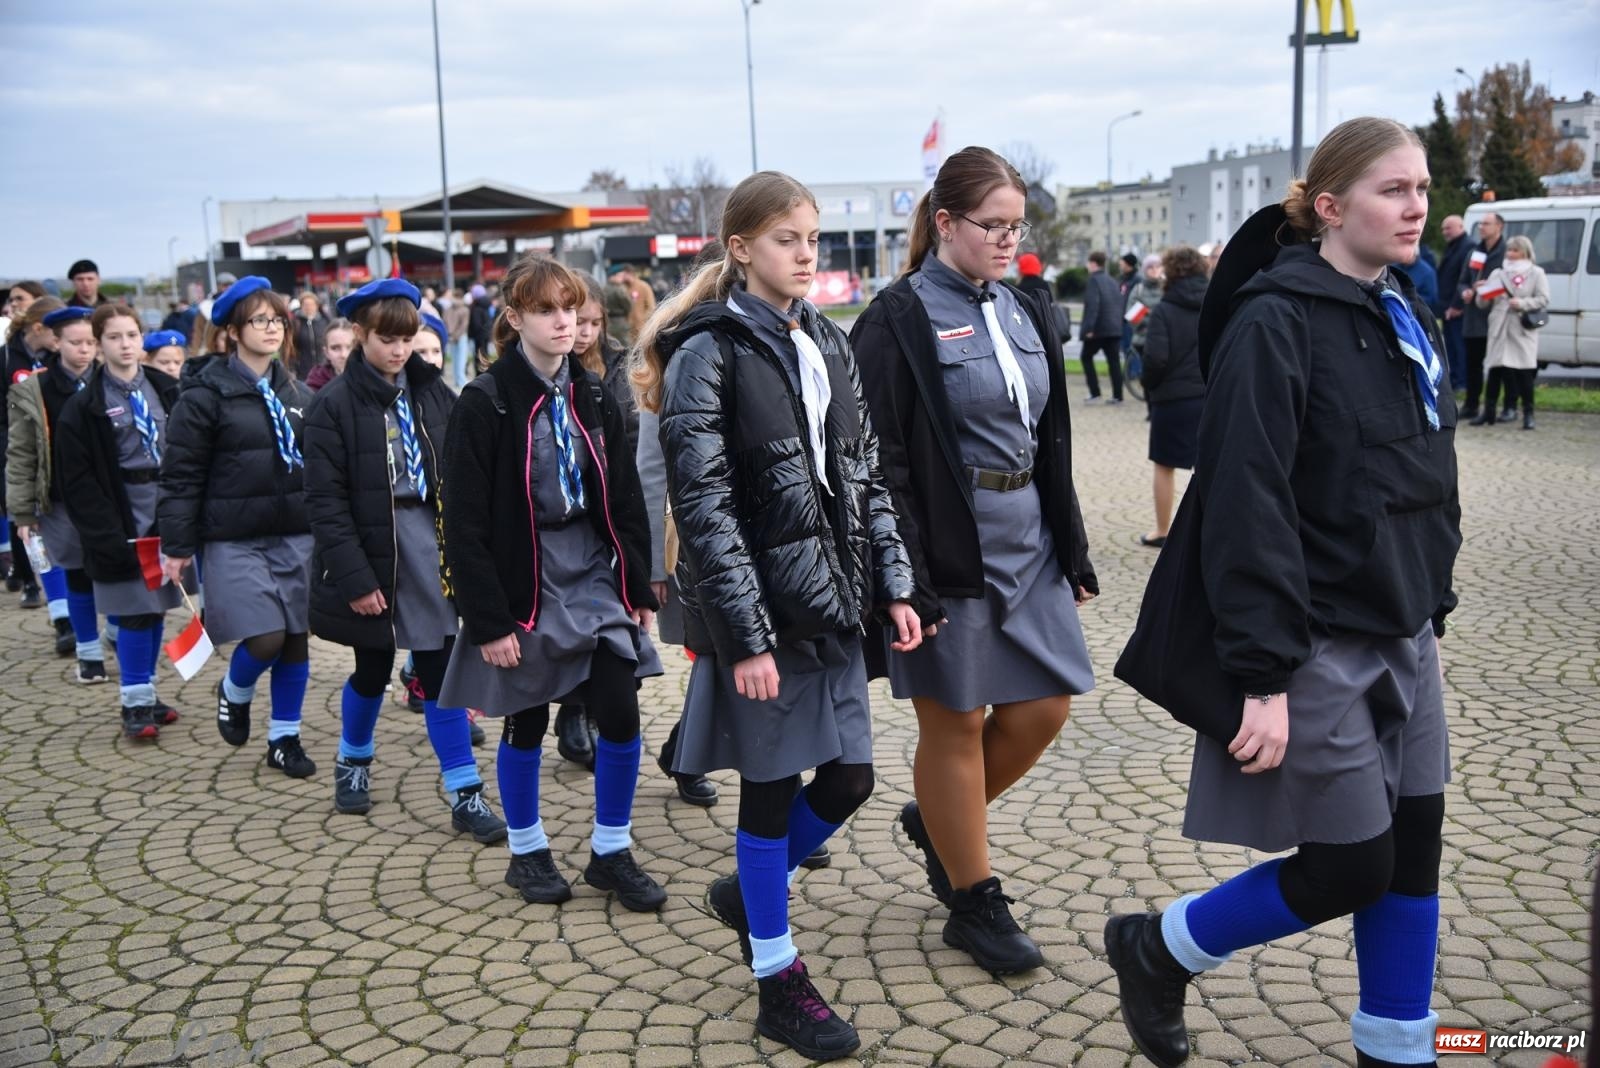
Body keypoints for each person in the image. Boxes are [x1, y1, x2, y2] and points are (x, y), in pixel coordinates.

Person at [1107, 117, 1458, 1068]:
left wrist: (1433, 594)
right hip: (1316, 639)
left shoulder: (1400, 311)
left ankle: (1400, 1045)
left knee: (1413, 847)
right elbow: (1246, 506)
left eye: (1423, 186)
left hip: (1405, 629)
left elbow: (1423, 468)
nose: (1417, 205)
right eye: (1394, 188)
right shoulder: (1276, 319)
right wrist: (1261, 675)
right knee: (1353, 863)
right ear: (1331, 206)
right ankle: (1159, 946)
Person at [634, 169, 921, 1061]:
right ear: (740, 250)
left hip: (832, 607)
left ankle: (746, 892)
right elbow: (705, 504)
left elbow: (864, 473)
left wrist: (898, 583)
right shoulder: (705, 353)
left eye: (813, 239)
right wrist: (746, 636)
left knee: (849, 783)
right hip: (761, 619)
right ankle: (775, 975)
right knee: (767, 796)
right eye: (788, 239)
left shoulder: (825, 342)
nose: (806, 254)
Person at [850, 146, 1097, 977]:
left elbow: (1049, 437)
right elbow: (878, 460)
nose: (1006, 239)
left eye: (1015, 225)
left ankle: (940, 820)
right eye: (991, 225)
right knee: (953, 717)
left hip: (1029, 535)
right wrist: (901, 576)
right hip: (947, 545)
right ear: (945, 222)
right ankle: (974, 900)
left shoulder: (1027, 305)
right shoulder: (895, 318)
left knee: (1046, 706)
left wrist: (1074, 542)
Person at [439, 253, 665, 913]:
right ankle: (527, 849)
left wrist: (636, 588)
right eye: (546, 310)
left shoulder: (593, 391)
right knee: (527, 716)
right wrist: (487, 620)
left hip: (592, 569)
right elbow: (461, 521)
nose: (563, 321)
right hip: (524, 576)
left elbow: (624, 497)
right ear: (514, 318)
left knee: (620, 706)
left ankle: (612, 849)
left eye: (569, 307)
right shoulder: (484, 401)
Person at [301, 278, 506, 840]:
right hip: (374, 551)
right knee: (371, 670)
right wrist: (354, 577)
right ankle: (353, 761)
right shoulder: (330, 407)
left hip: (433, 547)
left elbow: (466, 476)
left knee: (441, 672)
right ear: (360, 335)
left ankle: (465, 793)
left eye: (407, 338)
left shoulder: (435, 393)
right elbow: (325, 503)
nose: (398, 350)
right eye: (386, 339)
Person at [158, 277, 318, 778]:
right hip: (232, 538)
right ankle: (234, 689)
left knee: (295, 639)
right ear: (231, 330)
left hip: (295, 533)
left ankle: (284, 738)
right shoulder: (203, 395)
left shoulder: (295, 391)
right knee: (265, 637)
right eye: (259, 320)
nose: (271, 329)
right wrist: (178, 545)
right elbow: (182, 473)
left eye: (277, 319)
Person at [56, 305, 185, 739]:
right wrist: (106, 533)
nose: (126, 344)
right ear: (98, 344)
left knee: (155, 609)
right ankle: (134, 702)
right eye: (114, 337)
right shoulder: (84, 406)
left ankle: (146, 691)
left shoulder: (167, 389)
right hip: (121, 514)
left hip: (166, 505)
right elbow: (77, 479)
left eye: (132, 334)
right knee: (132, 610)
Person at [8, 304, 110, 669]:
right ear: (56, 342)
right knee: (79, 575)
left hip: (107, 499)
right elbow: (21, 454)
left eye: (90, 342)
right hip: (61, 500)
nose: (84, 350)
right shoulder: (35, 390)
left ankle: (114, 630)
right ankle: (88, 652)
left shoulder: (109, 380)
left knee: (113, 571)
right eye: (75, 342)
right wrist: (22, 511)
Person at [1137, 245, 1207, 548]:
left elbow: (1155, 360)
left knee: (1164, 466)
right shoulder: (1217, 304)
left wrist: (1149, 386)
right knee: (1206, 466)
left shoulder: (1164, 310)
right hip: (1210, 396)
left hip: (1172, 399)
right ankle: (1206, 532)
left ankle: (1163, 530)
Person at [3, 284, 53, 606]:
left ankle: (56, 595)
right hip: (12, 445)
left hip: (50, 445)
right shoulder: (7, 357)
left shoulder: (57, 357)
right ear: (39, 328)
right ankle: (28, 580)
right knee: (19, 515)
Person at [1472, 234, 1550, 431]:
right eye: (1509, 250)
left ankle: (1528, 414)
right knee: (1494, 370)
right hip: (1499, 326)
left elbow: (1543, 299)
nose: (1511, 254)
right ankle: (1488, 412)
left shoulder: (1536, 273)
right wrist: (1482, 291)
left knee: (1523, 372)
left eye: (1515, 250)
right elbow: (1482, 303)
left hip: (1521, 328)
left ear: (1525, 252)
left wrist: (1522, 303)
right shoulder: (1499, 273)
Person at [1454, 211, 1504, 420]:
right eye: (1481, 223)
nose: (1481, 227)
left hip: (1497, 317)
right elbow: (1463, 279)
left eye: (1486, 223)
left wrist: (1490, 286)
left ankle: (1496, 407)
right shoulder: (1475, 252)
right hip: (1473, 318)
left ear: (1499, 227)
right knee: (1473, 363)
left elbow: (1511, 281)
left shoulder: (1506, 253)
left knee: (1497, 365)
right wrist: (1465, 290)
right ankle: (1471, 404)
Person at [1080, 251, 1125, 403]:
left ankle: (1095, 393)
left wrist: (1089, 328)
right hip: (1114, 328)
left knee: (1086, 357)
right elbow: (1120, 303)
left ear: (1093, 263)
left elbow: (1093, 305)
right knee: (1114, 362)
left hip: (1099, 329)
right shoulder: (1112, 281)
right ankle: (1118, 395)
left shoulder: (1094, 280)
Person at [1436, 215, 1470, 392]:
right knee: (1450, 346)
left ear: (1460, 226)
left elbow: (1463, 279)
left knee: (1459, 346)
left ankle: (1462, 382)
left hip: (1457, 309)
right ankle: (1455, 380)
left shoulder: (1466, 247)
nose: (1444, 232)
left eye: (1448, 228)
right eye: (1443, 229)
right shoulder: (1453, 247)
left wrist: (1457, 306)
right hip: (1447, 306)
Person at [305, 318, 355, 392]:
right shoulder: (315, 384)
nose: (344, 355)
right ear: (326, 352)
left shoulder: (370, 380)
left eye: (350, 347)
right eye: (335, 348)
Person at [290, 292, 329, 380]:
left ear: (317, 306)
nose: (309, 307)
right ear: (301, 306)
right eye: (306, 304)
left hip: (323, 367)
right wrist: (292, 367)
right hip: (303, 370)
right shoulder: (295, 323)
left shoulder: (324, 321)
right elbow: (291, 347)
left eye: (311, 304)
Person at [441, 288, 471, 387]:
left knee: (460, 360)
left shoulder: (463, 309)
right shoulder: (449, 309)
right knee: (456, 360)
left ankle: (461, 380)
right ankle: (458, 380)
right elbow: (445, 322)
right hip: (454, 336)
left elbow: (463, 325)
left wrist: (453, 335)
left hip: (460, 337)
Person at [603, 266, 634, 348]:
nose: (621, 279)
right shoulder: (620, 289)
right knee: (624, 345)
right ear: (612, 276)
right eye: (619, 276)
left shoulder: (604, 288)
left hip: (608, 322)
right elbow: (628, 305)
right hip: (620, 321)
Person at [466, 283, 493, 373]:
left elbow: (476, 323)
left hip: (478, 335)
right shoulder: (487, 303)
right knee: (485, 353)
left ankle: (479, 373)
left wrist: (471, 332)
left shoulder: (476, 307)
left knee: (478, 355)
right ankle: (486, 371)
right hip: (486, 332)